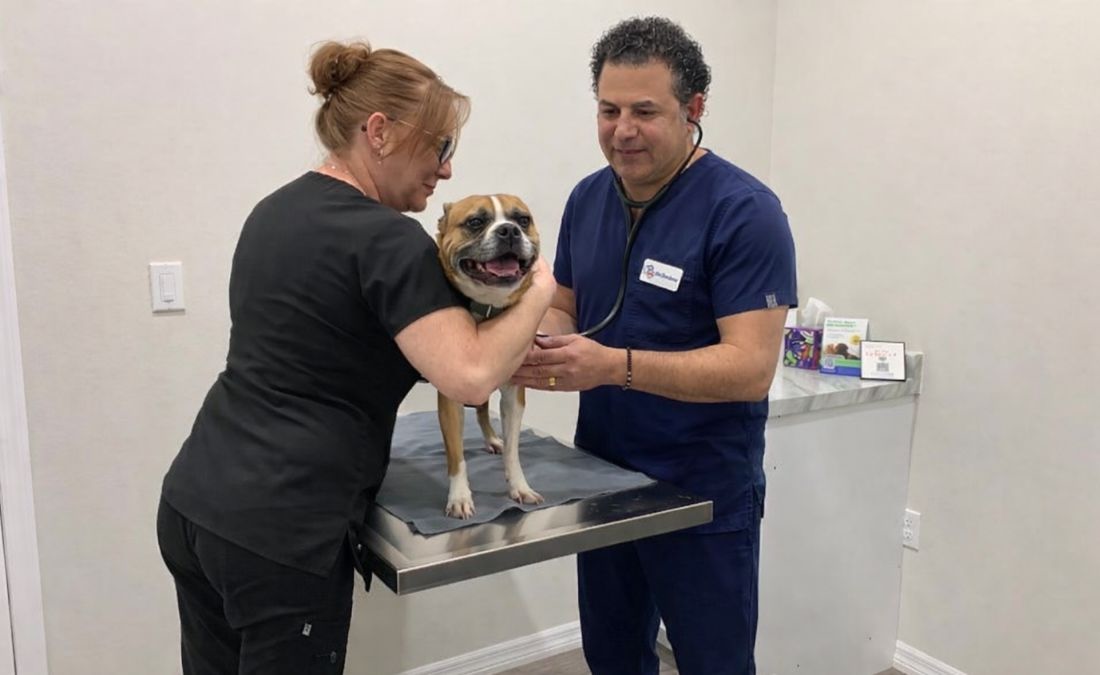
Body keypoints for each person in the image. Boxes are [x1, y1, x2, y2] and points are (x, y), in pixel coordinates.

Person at [156, 40, 555, 674]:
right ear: (380, 132)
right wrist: (539, 287)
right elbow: (472, 377)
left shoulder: (276, 209)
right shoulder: (390, 240)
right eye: (439, 147)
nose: (446, 170)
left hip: (195, 501)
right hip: (282, 528)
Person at [512, 17, 797, 675]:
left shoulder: (745, 212)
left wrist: (612, 366)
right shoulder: (589, 197)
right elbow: (567, 302)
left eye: (645, 111)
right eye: (608, 110)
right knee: (611, 655)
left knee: (713, 661)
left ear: (695, 109)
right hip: (603, 480)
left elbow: (751, 368)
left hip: (701, 490)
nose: (622, 130)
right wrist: (540, 336)